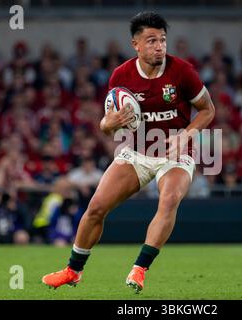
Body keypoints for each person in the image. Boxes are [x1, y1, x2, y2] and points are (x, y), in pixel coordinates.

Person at [42, 12, 215, 293]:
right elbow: (109, 126)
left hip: (174, 151)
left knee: (169, 199)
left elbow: (208, 110)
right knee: (96, 207)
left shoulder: (182, 71)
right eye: (151, 41)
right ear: (136, 44)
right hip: (136, 152)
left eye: (162, 40)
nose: (159, 46)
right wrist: (106, 123)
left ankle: (140, 268)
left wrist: (187, 135)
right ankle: (73, 271)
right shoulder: (121, 76)